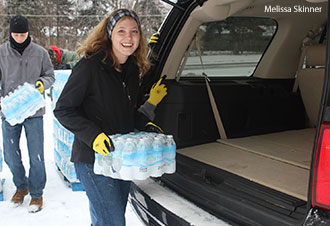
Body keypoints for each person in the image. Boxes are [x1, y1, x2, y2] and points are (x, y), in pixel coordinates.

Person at [53, 8, 167, 226]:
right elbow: (64, 109)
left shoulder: (132, 69)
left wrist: (147, 123)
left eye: (134, 32)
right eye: (121, 31)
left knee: (106, 220)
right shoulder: (89, 67)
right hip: (93, 160)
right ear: (109, 34)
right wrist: (94, 136)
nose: (129, 37)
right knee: (113, 222)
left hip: (121, 157)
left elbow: (127, 113)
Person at [0, 15, 55, 213]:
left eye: (23, 34)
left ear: (28, 32)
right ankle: (21, 186)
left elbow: (50, 75)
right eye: (16, 34)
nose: (20, 37)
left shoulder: (40, 53)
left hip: (33, 111)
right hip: (10, 112)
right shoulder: (1, 52)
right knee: (10, 155)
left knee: (37, 155)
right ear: (10, 34)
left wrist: (42, 83)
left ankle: (37, 194)